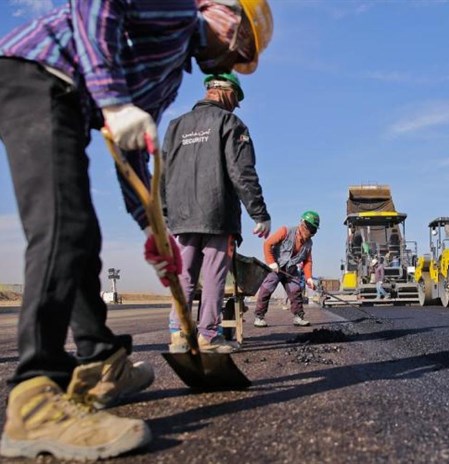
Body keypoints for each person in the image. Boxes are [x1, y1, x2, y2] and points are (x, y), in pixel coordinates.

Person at [0, 0, 273, 460]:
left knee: (82, 238)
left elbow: (133, 151)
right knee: (64, 229)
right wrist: (111, 98)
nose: (232, 58)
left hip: (68, 98)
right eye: (239, 42)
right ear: (221, 11)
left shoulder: (168, 74)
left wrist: (152, 226)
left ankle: (101, 361)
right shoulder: (174, 9)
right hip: (35, 74)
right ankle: (35, 398)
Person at [162, 72, 271, 354]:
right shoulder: (229, 123)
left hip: (182, 216)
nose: (235, 106)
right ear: (226, 91)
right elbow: (242, 172)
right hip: (217, 213)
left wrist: (165, 212)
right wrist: (259, 213)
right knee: (213, 276)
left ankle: (179, 334)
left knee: (184, 274)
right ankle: (208, 336)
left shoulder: (175, 126)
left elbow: (163, 173)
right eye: (236, 99)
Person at [254, 211, 319, 327]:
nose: (310, 233)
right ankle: (259, 317)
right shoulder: (285, 231)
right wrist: (271, 263)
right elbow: (267, 244)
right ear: (302, 224)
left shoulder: (309, 243)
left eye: (313, 230)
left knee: (296, 291)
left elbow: (307, 261)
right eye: (309, 229)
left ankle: (298, 317)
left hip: (291, 270)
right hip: (276, 267)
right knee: (266, 289)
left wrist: (309, 278)